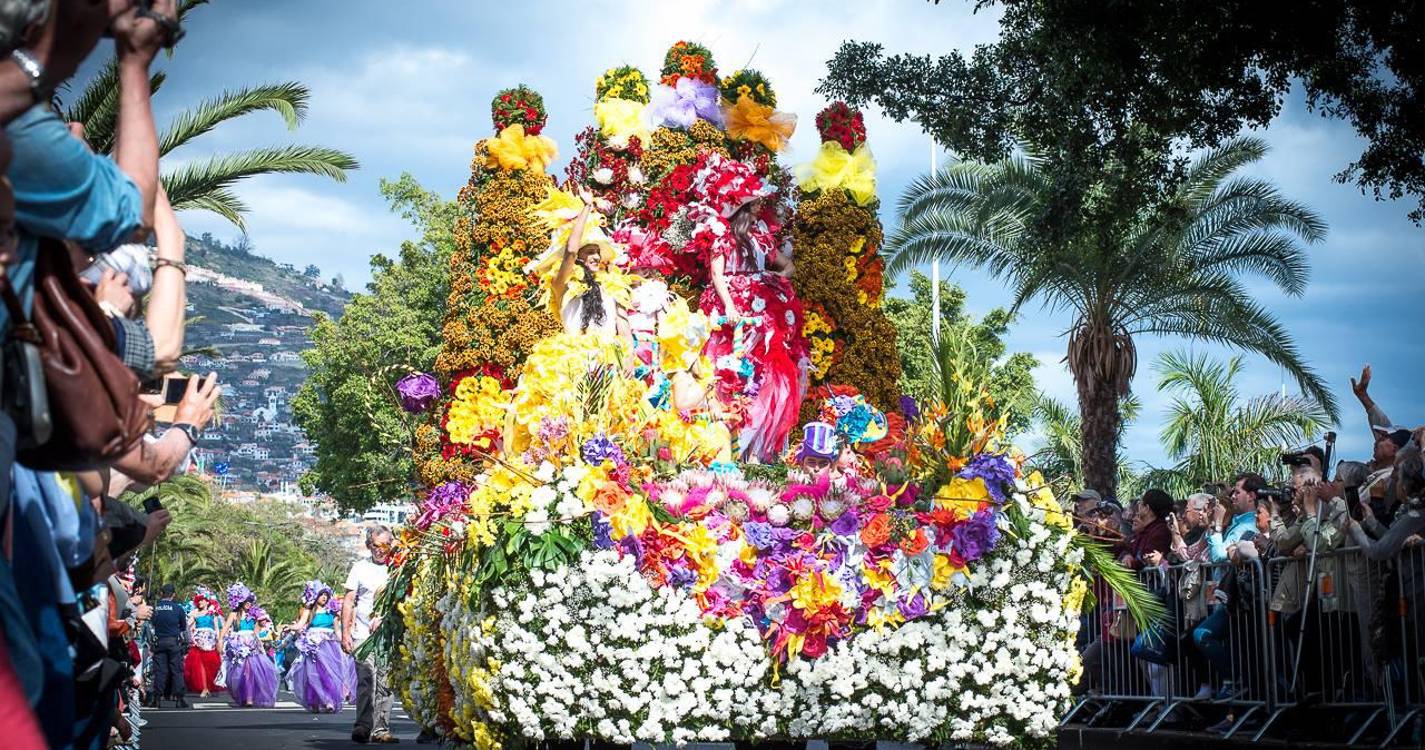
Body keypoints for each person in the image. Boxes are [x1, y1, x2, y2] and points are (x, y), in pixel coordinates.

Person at [692, 153, 808, 463]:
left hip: (761, 304)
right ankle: (727, 442)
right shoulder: (721, 235)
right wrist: (730, 303)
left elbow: (788, 268)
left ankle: (756, 445)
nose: (759, 208)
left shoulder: (760, 238)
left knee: (764, 366)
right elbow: (717, 274)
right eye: (754, 204)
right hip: (732, 306)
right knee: (725, 366)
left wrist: (771, 279)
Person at [344, 526, 397, 744]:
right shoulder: (359, 568)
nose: (380, 550)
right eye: (376, 545)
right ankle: (363, 726)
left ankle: (381, 729)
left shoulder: (397, 568)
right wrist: (345, 632)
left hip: (389, 634)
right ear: (369, 545)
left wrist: (385, 618)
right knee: (366, 679)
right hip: (362, 634)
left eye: (385, 545)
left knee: (385, 681)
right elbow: (348, 601)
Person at [287, 580, 356, 713]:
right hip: (312, 646)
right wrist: (290, 627)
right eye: (321, 594)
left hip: (328, 645)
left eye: (326, 594)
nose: (324, 597)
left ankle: (329, 700)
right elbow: (300, 625)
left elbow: (337, 630)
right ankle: (317, 700)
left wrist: (345, 640)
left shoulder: (332, 611)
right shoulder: (309, 611)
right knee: (313, 674)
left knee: (328, 673)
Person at [217, 583, 277, 708]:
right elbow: (224, 629)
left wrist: (260, 630)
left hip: (251, 645)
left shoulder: (254, 614)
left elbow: (256, 632)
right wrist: (220, 641)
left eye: (250, 600)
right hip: (238, 645)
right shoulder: (234, 615)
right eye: (246, 600)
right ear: (240, 601)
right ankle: (243, 695)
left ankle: (249, 698)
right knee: (240, 672)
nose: (249, 603)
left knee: (250, 671)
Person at [146, 583, 186, 707]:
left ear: (162, 594)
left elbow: (150, 624)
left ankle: (157, 698)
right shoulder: (178, 608)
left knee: (160, 671)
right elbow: (183, 627)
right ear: (173, 595)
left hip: (159, 642)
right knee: (176, 671)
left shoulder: (155, 608)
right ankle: (179, 699)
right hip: (173, 642)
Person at [183, 586, 221, 697]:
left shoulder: (213, 613)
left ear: (207, 601)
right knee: (199, 666)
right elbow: (186, 626)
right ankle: (204, 688)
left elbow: (216, 628)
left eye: (202, 600)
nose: (200, 602)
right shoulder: (194, 613)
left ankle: (208, 687)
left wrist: (219, 641)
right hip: (198, 642)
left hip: (210, 643)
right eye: (198, 600)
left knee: (210, 666)